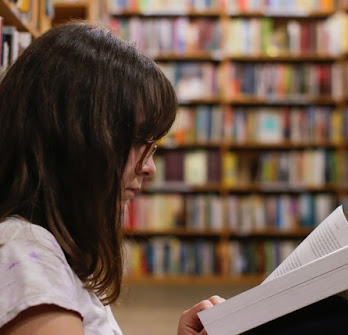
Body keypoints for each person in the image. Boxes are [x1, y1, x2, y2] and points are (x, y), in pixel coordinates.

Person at [0, 21, 224, 335]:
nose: (150, 169)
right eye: (136, 141)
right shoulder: (26, 254)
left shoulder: (52, 252)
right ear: (76, 141)